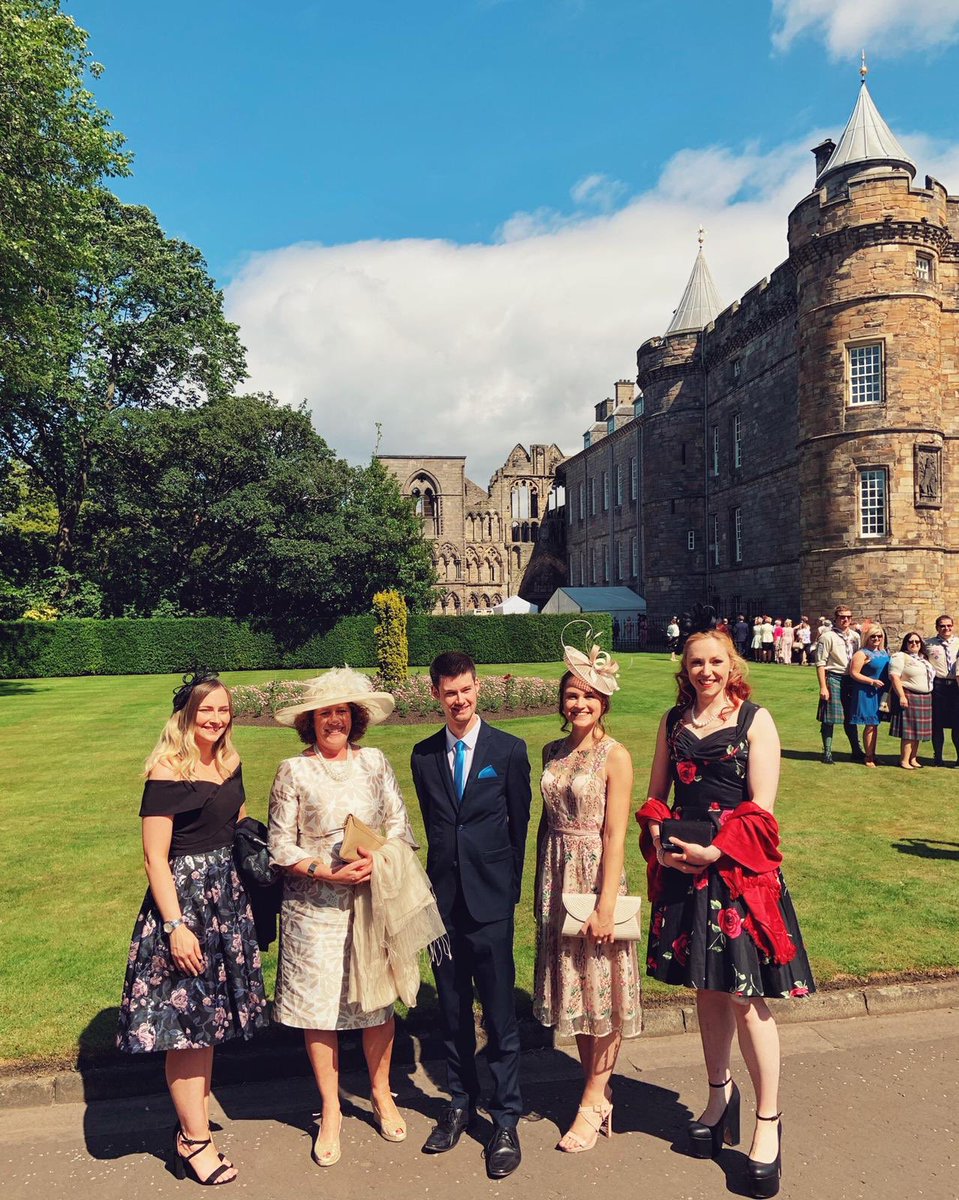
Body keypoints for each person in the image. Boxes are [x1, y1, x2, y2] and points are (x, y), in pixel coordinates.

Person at [637, 631, 814, 1200]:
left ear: (731, 664)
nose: (706, 671)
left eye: (715, 661)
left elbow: (762, 808)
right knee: (706, 992)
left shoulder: (755, 720)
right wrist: (661, 835)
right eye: (696, 663)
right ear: (684, 669)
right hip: (686, 875)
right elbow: (657, 796)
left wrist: (716, 850)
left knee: (745, 998)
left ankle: (767, 1120)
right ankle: (719, 1098)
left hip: (736, 874)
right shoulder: (672, 722)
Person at [117, 672, 268, 1187]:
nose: (216, 718)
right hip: (185, 905)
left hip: (226, 899)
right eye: (207, 710)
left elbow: (241, 824)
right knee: (186, 1030)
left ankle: (192, 1124)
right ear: (186, 713)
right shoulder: (166, 771)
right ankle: (195, 1142)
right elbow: (155, 859)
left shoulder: (229, 762)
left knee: (208, 1024)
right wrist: (176, 926)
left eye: (224, 710)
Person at [268, 669, 418, 1167]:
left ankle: (381, 1094)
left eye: (341, 712)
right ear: (309, 722)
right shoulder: (293, 770)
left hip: (372, 900)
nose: (333, 720)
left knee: (377, 1001)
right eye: (324, 713)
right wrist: (326, 870)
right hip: (314, 909)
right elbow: (279, 844)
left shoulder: (374, 762)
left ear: (355, 718)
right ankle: (330, 1110)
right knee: (319, 1009)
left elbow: (399, 823)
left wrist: (379, 859)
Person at [410, 651, 532, 1179]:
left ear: (477, 689)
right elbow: (437, 825)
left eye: (466, 691)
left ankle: (505, 1117)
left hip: (490, 903)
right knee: (452, 1010)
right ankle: (460, 1101)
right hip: (442, 902)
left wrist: (505, 893)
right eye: (449, 692)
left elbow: (519, 825)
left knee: (500, 1013)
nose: (459, 701)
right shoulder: (423, 755)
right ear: (435, 694)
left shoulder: (507, 750)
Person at [533, 640, 641, 1152]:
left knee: (603, 985)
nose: (579, 704)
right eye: (572, 695)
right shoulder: (551, 752)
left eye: (589, 696)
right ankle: (597, 1089)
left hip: (594, 872)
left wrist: (603, 904)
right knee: (576, 990)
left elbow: (616, 834)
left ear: (604, 701)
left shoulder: (614, 755)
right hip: (557, 876)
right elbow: (544, 823)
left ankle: (593, 1100)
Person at [815, 604, 863, 763]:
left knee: (851, 717)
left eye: (848, 617)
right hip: (834, 677)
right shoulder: (827, 637)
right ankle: (827, 752)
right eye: (842, 617)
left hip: (852, 679)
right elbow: (820, 663)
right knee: (829, 718)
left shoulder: (856, 636)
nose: (846, 620)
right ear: (835, 619)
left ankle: (856, 751)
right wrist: (823, 686)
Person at [888, 634, 935, 770]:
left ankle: (913, 759)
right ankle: (904, 760)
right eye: (911, 641)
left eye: (917, 641)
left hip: (925, 697)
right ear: (905, 643)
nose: (914, 644)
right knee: (910, 731)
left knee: (918, 732)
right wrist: (901, 696)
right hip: (909, 695)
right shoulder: (900, 656)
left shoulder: (923, 659)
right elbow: (894, 677)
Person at [848, 627, 890, 767]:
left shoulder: (884, 652)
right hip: (867, 692)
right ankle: (869, 757)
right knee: (871, 724)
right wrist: (871, 681)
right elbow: (854, 673)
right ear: (867, 637)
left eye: (879, 636)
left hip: (881, 692)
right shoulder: (862, 653)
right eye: (873, 636)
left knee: (875, 724)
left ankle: (873, 753)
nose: (877, 639)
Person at [926, 615, 959, 766]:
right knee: (937, 723)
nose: (946, 629)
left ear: (953, 626)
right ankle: (938, 757)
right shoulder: (928, 644)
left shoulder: (958, 642)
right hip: (938, 686)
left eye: (949, 626)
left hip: (956, 686)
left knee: (957, 723)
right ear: (937, 627)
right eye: (942, 626)